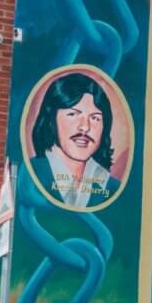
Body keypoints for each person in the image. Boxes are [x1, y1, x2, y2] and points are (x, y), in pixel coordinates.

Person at [28, 72, 124, 208]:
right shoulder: (29, 175)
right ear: (51, 119)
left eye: (95, 118)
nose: (85, 127)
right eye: (73, 114)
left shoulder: (113, 189)